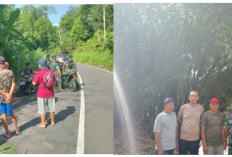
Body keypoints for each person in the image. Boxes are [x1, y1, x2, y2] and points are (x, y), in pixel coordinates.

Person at [177, 90, 204, 155]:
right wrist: (184, 125)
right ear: (189, 97)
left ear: (198, 98)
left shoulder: (201, 108)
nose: (193, 98)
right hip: (184, 137)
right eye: (192, 96)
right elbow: (179, 118)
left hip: (195, 137)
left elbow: (202, 120)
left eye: (195, 96)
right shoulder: (183, 107)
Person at [0, 56, 21, 137]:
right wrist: (10, 95)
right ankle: (17, 130)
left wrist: (5, 94)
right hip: (9, 99)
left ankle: (7, 133)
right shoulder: (10, 72)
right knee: (12, 114)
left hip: (1, 99)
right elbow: (13, 85)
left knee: (3, 115)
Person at [32, 58, 56, 128]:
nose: (39, 65)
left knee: (42, 108)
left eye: (39, 64)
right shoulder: (51, 72)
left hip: (41, 94)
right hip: (50, 93)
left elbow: (33, 83)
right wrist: (53, 91)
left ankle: (43, 123)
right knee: (52, 108)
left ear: (41, 65)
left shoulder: (39, 73)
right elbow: (54, 82)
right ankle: (52, 121)